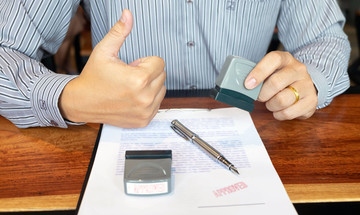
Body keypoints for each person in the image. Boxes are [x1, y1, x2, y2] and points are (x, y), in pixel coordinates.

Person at [0, 0, 351, 128]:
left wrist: (310, 83)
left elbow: (326, 39)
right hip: (115, 132)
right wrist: (70, 98)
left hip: (248, 129)